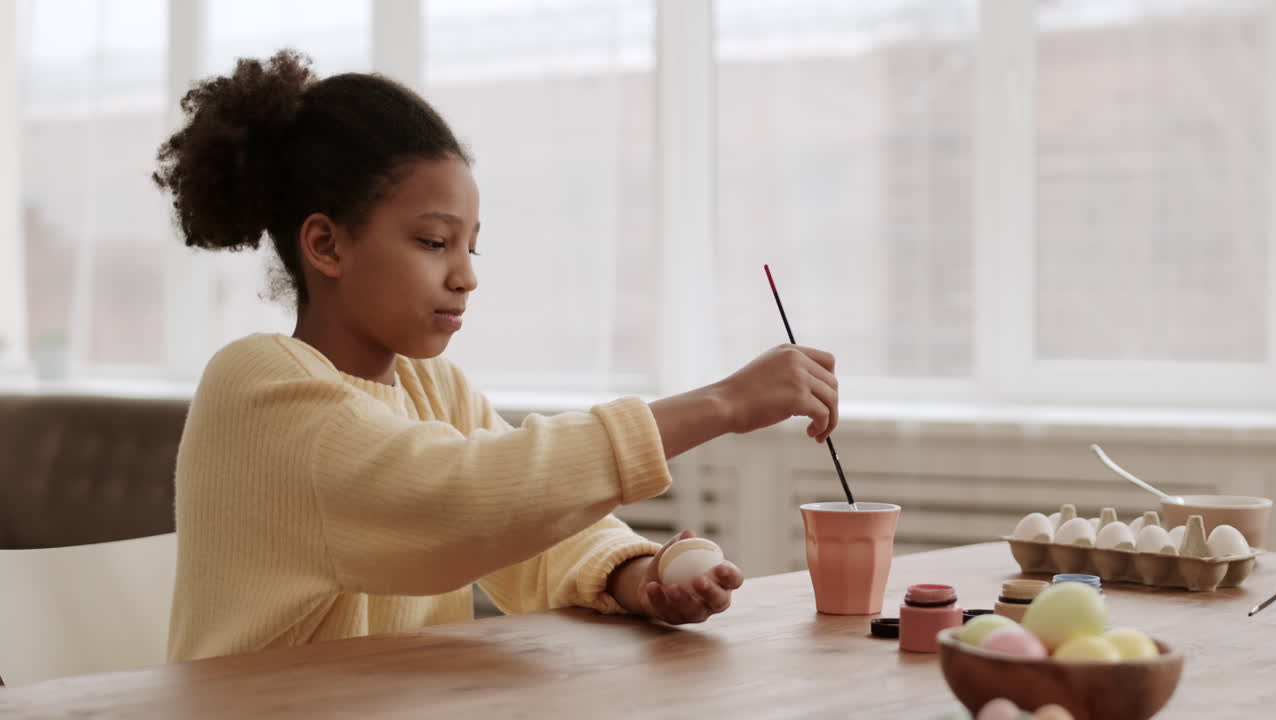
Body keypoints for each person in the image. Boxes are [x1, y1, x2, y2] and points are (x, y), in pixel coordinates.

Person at [154, 50, 840, 662]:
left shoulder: (432, 386)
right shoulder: (257, 391)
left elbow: (531, 530)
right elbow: (462, 502)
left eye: (470, 247)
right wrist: (721, 404)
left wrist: (636, 576)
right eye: (433, 242)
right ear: (327, 246)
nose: (466, 276)